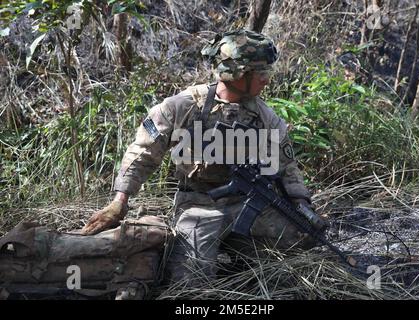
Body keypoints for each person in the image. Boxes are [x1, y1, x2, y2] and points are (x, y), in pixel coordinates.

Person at [81, 29, 321, 285]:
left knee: (300, 241)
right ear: (237, 73)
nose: (266, 81)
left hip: (247, 203)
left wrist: (302, 204)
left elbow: (287, 168)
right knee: (190, 279)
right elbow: (142, 152)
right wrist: (120, 201)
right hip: (198, 204)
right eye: (261, 73)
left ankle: (239, 258)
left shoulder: (266, 118)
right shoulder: (181, 107)